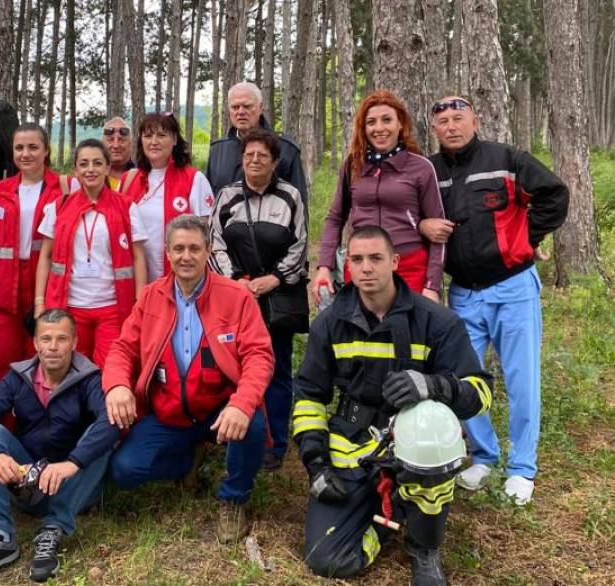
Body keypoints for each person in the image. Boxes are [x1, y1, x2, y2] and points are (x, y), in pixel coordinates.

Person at [293, 225, 492, 585]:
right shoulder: (329, 323)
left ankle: (424, 547)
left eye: (376, 258)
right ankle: (389, 521)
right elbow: (309, 396)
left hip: (415, 443)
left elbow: (480, 392)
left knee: (430, 430)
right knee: (327, 559)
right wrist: (316, 465)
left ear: (395, 262)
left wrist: (432, 386)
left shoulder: (436, 321)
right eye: (357, 259)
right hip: (352, 443)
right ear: (347, 265)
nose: (366, 268)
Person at [422, 96, 569, 505]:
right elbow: (408, 213)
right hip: (463, 293)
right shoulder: (430, 171)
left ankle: (522, 467)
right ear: (434, 129)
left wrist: (526, 239)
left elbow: (555, 194)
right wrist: (422, 224)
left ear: (475, 121)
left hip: (512, 287)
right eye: (443, 122)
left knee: (522, 379)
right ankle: (484, 456)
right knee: (464, 378)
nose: (451, 127)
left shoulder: (505, 159)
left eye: (459, 118)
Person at [103, 215, 274, 543]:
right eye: (178, 248)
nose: (186, 256)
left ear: (208, 251)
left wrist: (241, 404)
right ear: (167, 252)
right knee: (124, 470)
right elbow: (123, 348)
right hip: (170, 413)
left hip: (220, 409)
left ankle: (233, 497)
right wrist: (117, 386)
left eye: (194, 248)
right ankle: (186, 462)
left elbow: (259, 355)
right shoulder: (151, 296)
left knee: (251, 423)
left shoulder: (235, 297)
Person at [0, 309, 119, 584]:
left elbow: (111, 423)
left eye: (61, 339)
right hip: (29, 485)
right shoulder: (18, 377)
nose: (53, 347)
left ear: (74, 342)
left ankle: (54, 528)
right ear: (35, 343)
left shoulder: (89, 377)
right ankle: (0, 536)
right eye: (46, 339)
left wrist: (72, 463)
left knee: (101, 434)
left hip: (74, 486)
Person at [209, 130, 308, 471]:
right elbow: (215, 243)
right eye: (249, 155)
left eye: (262, 156)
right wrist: (236, 281)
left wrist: (275, 278)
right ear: (242, 159)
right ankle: (236, 432)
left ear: (275, 162)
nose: (255, 161)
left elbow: (300, 245)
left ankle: (274, 442)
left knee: (276, 369)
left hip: (277, 298)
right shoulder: (227, 196)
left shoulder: (290, 197)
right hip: (235, 295)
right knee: (233, 366)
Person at [314, 90, 446, 305]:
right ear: (363, 128)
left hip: (409, 268)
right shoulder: (352, 165)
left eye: (387, 120)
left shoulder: (421, 167)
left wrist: (432, 286)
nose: (379, 128)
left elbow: (439, 233)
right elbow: (335, 218)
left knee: (405, 326)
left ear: (400, 123)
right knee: (361, 326)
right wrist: (324, 267)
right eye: (371, 122)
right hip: (361, 267)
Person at [35, 138, 147, 367]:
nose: (90, 169)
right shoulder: (59, 206)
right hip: (69, 307)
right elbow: (45, 256)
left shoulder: (126, 206)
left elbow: (138, 257)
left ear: (107, 167)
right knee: (71, 371)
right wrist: (39, 302)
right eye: (84, 164)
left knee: (110, 369)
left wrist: (140, 302)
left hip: (112, 307)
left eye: (97, 163)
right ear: (75, 170)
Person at [0, 123, 68, 384]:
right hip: (1, 289)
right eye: (19, 148)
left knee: (44, 364)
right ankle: (3, 411)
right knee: (0, 363)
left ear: (46, 150)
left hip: (45, 285)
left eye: (33, 147)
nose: (26, 154)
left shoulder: (63, 188)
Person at [119, 112, 215, 281]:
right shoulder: (128, 180)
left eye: (162, 135)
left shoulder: (194, 179)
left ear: (175, 139)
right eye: (148, 136)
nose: (154, 142)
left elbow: (206, 235)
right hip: (136, 282)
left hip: (180, 281)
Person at [205, 81, 309, 205]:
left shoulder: (286, 150)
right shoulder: (218, 151)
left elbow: (299, 204)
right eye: (235, 107)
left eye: (247, 106)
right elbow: (208, 202)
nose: (240, 112)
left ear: (261, 107)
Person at [101, 117, 134, 189]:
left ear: (130, 145)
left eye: (121, 140)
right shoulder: (92, 178)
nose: (116, 145)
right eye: (110, 140)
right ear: (102, 145)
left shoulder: (141, 177)